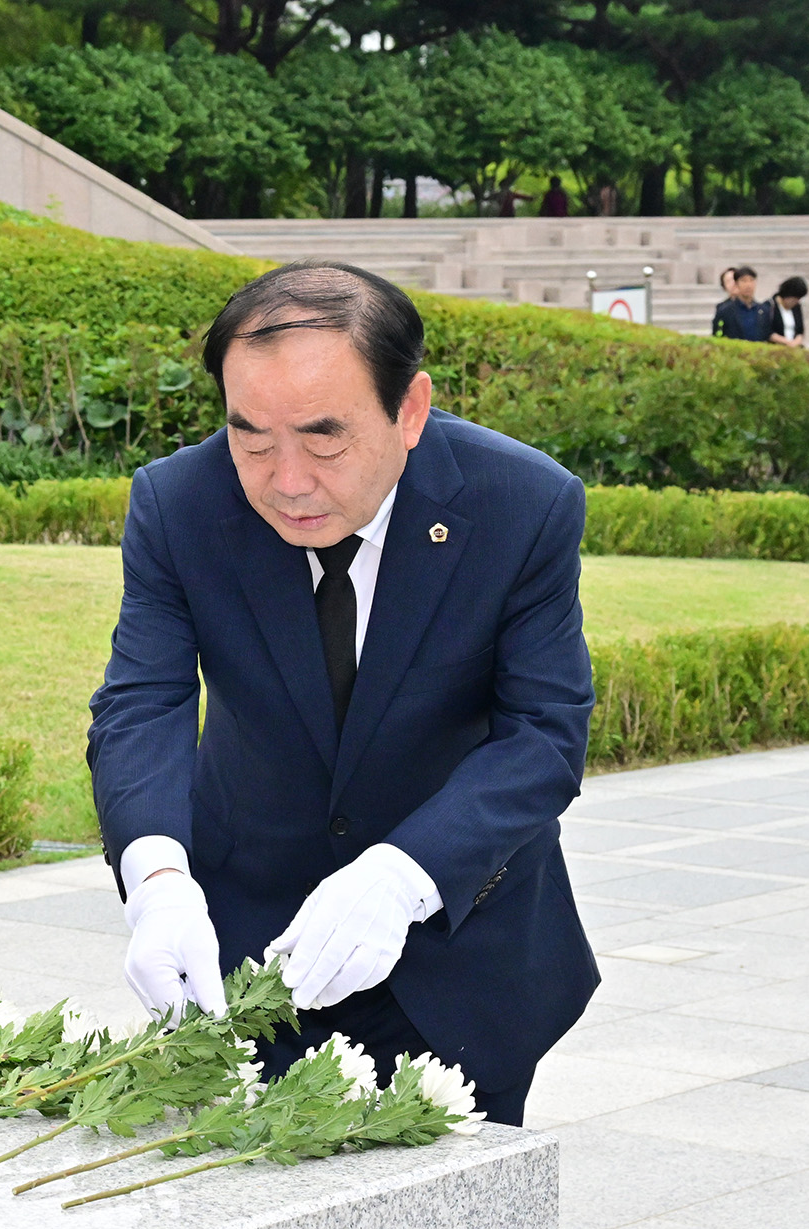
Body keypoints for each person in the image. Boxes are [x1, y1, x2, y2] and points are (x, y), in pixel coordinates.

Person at [89, 261, 598, 1127]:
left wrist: (403, 877)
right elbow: (143, 702)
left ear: (410, 410)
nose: (286, 480)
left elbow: (543, 734)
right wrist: (158, 877)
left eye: (324, 438)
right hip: (250, 958)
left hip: (458, 953)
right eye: (251, 436)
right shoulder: (178, 503)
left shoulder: (523, 504)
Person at [713, 266, 771, 342]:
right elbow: (717, 336)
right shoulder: (725, 310)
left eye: (751, 280)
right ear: (736, 284)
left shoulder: (764, 310)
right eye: (744, 281)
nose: (748, 285)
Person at [769, 277, 807, 347]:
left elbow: (800, 330)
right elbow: (768, 332)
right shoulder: (770, 306)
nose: (796, 302)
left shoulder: (796, 307)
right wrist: (787, 342)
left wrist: (796, 342)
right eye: (795, 299)